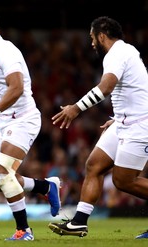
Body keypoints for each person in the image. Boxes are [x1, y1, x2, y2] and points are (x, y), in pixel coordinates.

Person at [49, 16, 148, 239]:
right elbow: (134, 89)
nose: (92, 43)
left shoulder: (116, 54)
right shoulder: (125, 52)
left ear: (102, 35)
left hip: (140, 126)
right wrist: (118, 117)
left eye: (92, 38)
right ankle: (79, 223)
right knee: (93, 165)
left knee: (124, 181)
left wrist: (75, 108)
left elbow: (106, 87)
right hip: (124, 122)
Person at [0, 11, 61, 241]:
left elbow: (16, 87)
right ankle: (45, 187)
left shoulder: (7, 51)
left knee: (3, 175)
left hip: (23, 120)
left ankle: (24, 230)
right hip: (1, 122)